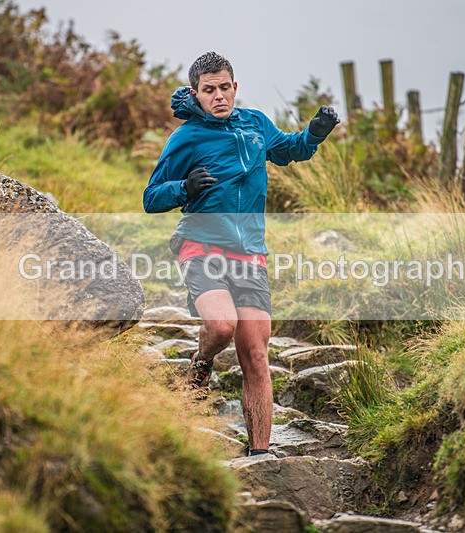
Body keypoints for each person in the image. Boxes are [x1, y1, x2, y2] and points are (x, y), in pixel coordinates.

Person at [143, 51, 339, 457]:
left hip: (250, 251)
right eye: (209, 90)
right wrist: (185, 189)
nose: (218, 96)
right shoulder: (186, 138)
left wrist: (315, 132)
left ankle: (260, 453)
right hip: (202, 243)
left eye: (224, 87)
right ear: (196, 94)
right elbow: (151, 198)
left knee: (256, 352)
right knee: (220, 326)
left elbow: (290, 150)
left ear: (236, 87)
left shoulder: (255, 124)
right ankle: (202, 359)